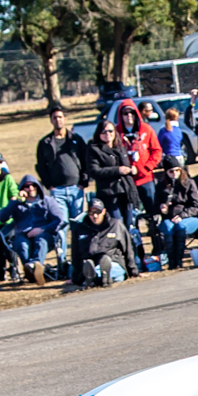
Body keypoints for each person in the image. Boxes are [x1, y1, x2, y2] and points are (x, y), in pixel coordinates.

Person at [79, 120, 142, 278]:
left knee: (128, 228)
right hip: (109, 194)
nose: (108, 135)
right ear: (98, 134)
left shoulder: (120, 147)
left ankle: (134, 263)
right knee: (117, 226)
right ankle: (114, 264)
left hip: (125, 192)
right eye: (104, 132)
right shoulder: (94, 149)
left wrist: (131, 169)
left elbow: (126, 165)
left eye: (111, 131)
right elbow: (94, 171)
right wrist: (118, 170)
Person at [148, 156, 198, 269]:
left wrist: (182, 215)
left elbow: (196, 205)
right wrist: (161, 208)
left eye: (177, 170)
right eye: (171, 171)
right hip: (168, 218)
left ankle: (179, 260)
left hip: (188, 217)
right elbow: (154, 208)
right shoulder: (161, 186)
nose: (174, 173)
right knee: (168, 227)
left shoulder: (189, 183)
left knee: (180, 226)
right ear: (166, 172)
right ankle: (172, 261)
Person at [0, 176, 62, 283]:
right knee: (22, 244)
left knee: (41, 241)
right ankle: (31, 270)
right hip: (23, 234)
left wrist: (43, 229)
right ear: (22, 189)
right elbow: (2, 218)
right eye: (27, 186)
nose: (31, 188)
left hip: (44, 233)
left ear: (38, 186)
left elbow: (58, 219)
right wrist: (15, 201)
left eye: (33, 185)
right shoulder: (17, 204)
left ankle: (34, 265)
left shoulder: (47, 201)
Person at [35, 109, 86, 232]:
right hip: (57, 191)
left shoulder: (76, 139)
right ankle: (61, 252)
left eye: (60, 117)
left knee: (79, 225)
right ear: (51, 121)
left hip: (76, 188)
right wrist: (49, 185)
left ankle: (78, 251)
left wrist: (84, 181)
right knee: (61, 225)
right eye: (54, 118)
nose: (58, 120)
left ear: (65, 119)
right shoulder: (45, 143)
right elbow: (40, 166)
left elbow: (85, 160)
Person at [67, 197, 128, 288]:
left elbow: (127, 248)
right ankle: (100, 278)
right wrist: (75, 277)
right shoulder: (79, 229)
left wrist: (133, 271)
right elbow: (75, 254)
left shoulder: (116, 224)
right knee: (91, 270)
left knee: (117, 273)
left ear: (103, 211)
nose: (95, 216)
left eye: (98, 212)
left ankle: (95, 278)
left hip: (112, 260)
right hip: (90, 263)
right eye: (91, 213)